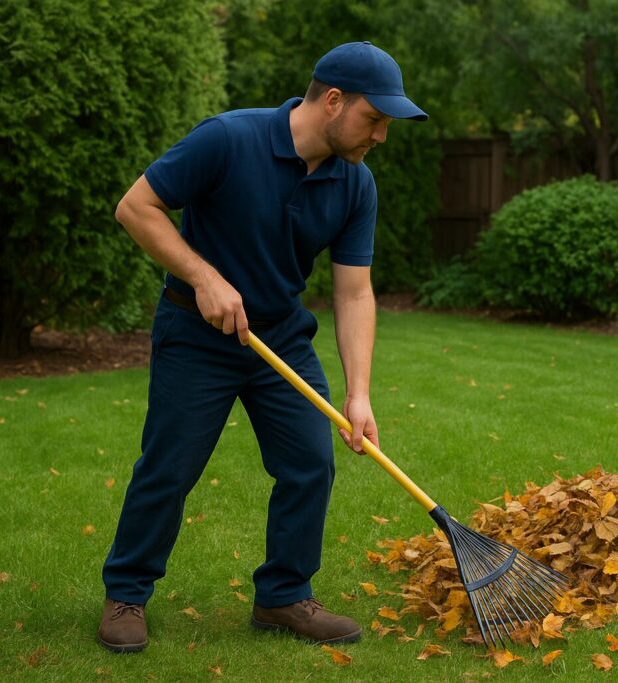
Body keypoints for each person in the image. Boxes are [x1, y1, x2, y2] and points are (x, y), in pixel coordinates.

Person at [98, 41, 427, 653]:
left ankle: (283, 595)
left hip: (279, 337)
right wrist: (204, 278)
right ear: (333, 100)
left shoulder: (355, 184)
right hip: (196, 337)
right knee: (169, 468)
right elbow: (135, 207)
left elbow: (355, 294)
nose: (380, 137)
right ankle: (127, 593)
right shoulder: (227, 139)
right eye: (374, 120)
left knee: (310, 462)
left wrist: (359, 395)